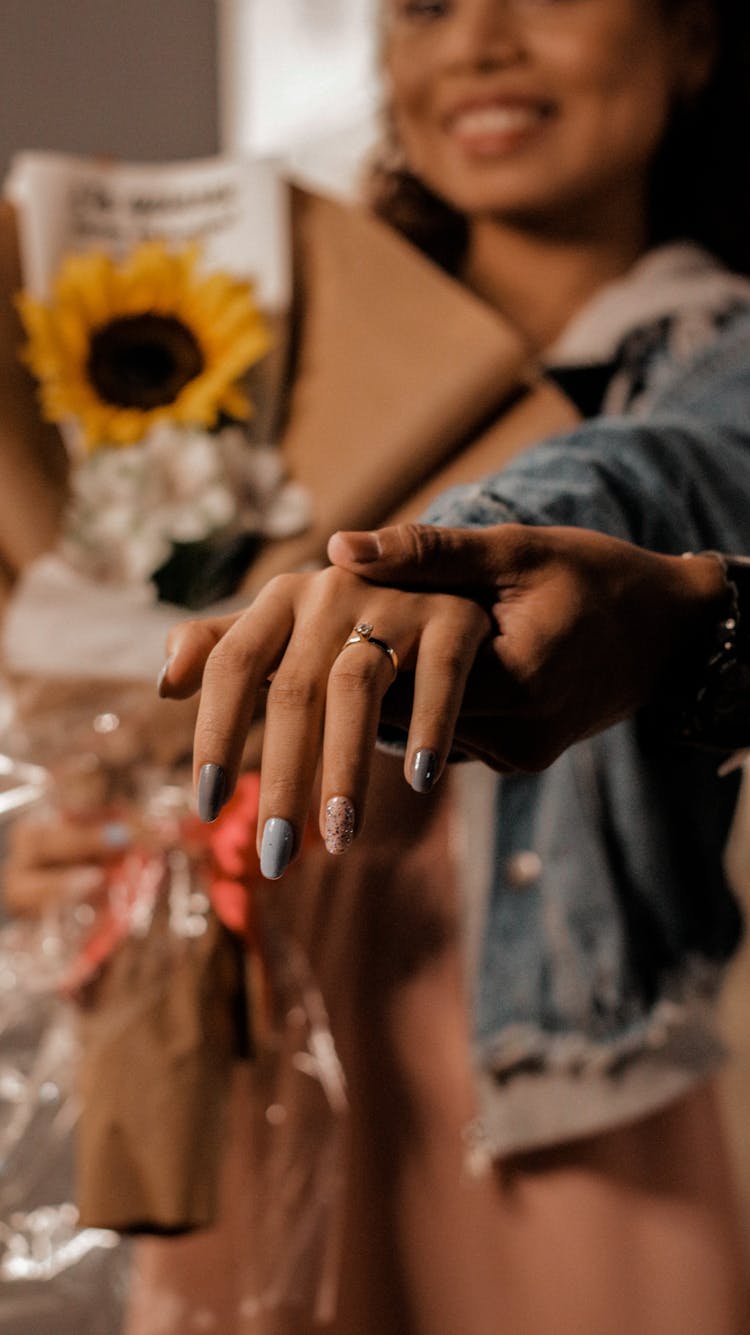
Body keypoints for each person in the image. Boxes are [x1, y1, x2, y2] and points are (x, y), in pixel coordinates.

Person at [157, 1, 750, 1331]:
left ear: (690, 38)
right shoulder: (260, 358)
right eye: (424, 5)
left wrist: (459, 552)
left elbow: (653, 474)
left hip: (547, 1087)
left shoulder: (714, 361)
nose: (477, 40)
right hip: (250, 1047)